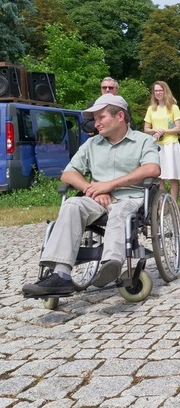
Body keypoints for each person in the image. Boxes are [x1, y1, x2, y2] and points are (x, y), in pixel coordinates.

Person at [22, 94, 160, 296]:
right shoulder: (91, 144)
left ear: (120, 116)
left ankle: (111, 263)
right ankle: (61, 275)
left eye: (101, 117)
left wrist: (109, 185)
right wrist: (91, 189)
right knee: (71, 205)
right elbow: (68, 174)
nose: (96, 123)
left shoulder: (143, 141)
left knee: (120, 210)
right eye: (95, 119)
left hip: (130, 198)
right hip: (97, 199)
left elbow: (152, 169)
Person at [144, 81, 180, 200]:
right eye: (156, 90)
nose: (158, 93)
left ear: (165, 91)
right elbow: (146, 129)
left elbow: (179, 128)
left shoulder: (173, 107)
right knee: (160, 177)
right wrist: (156, 130)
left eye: (160, 90)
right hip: (157, 146)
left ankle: (174, 205)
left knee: (172, 177)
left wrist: (164, 131)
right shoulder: (151, 109)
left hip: (171, 144)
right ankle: (162, 206)